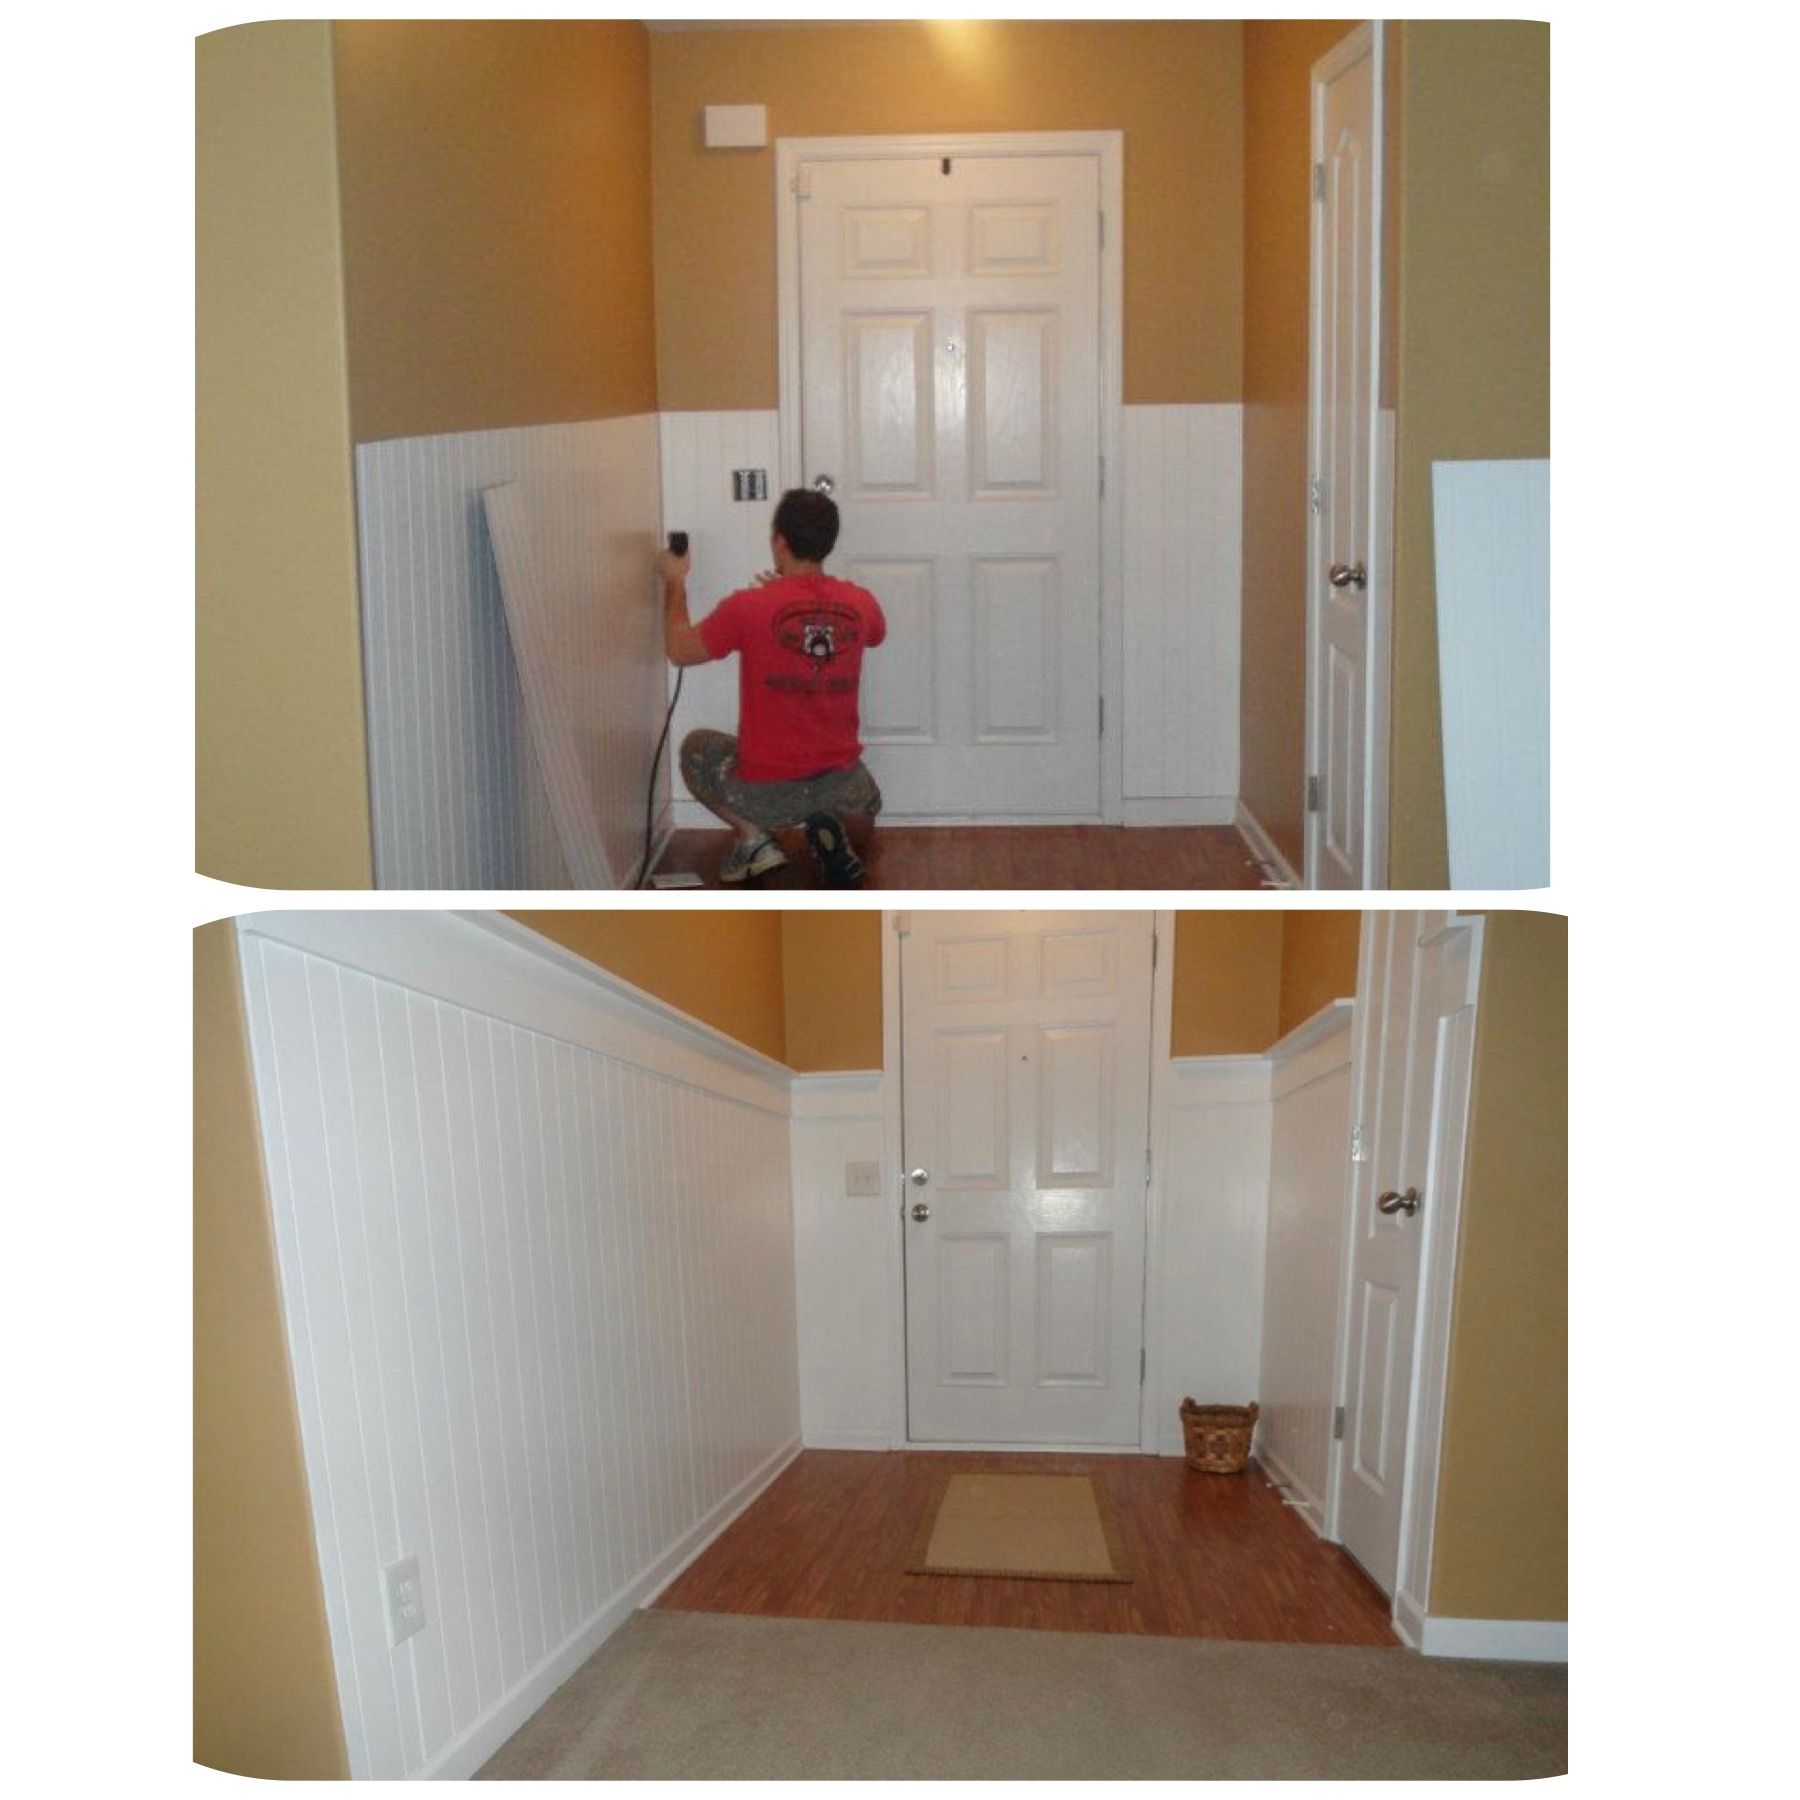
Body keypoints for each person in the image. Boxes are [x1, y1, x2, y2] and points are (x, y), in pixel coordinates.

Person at [660, 488, 886, 887]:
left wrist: (675, 583)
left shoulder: (749, 606)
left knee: (695, 748)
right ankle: (830, 829)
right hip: (846, 788)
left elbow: (679, 649)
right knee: (865, 806)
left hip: (767, 794)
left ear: (779, 540)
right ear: (829, 542)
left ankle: (754, 839)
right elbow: (875, 636)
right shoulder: (861, 604)